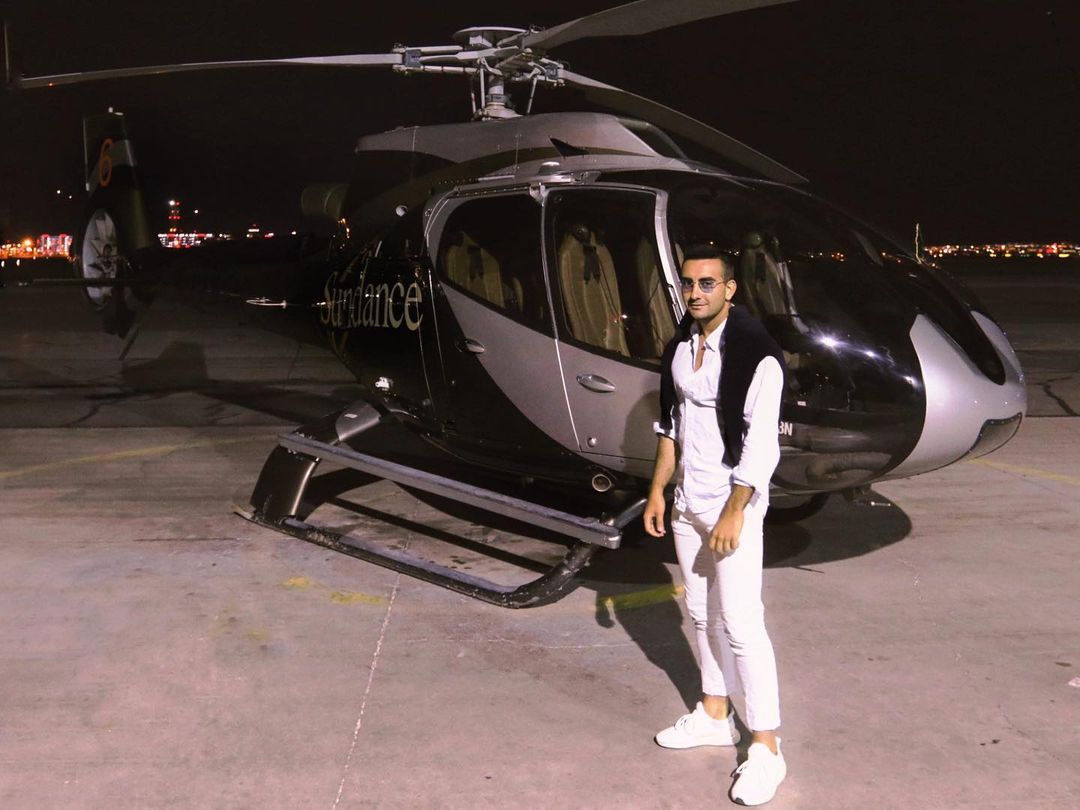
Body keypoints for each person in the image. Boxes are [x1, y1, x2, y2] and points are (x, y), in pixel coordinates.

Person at [643, 243, 787, 806]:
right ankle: (713, 712)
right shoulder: (681, 346)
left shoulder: (756, 353)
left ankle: (767, 747)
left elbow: (762, 443)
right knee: (701, 613)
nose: (695, 292)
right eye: (688, 283)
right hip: (686, 501)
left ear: (730, 289)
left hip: (732, 503)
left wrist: (734, 510)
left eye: (707, 283)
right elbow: (670, 424)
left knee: (743, 625)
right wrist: (659, 491)